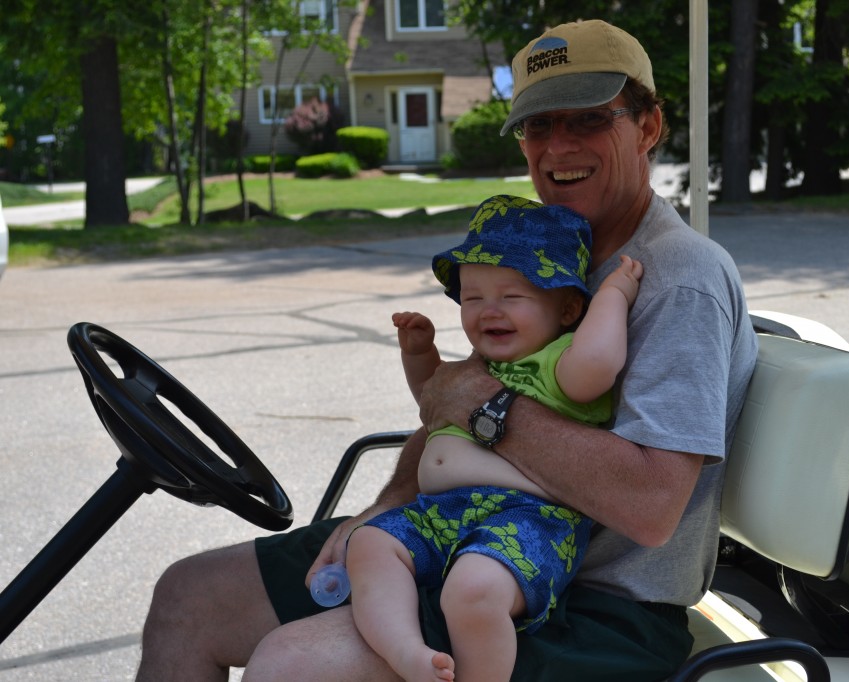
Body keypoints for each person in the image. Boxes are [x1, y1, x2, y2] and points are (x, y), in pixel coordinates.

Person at [136, 18, 759, 682]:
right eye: (538, 126)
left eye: (588, 119)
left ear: (649, 127)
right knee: (187, 598)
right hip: (463, 538)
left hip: (595, 609)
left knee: (291, 665)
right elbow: (451, 405)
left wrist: (489, 408)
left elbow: (651, 506)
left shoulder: (679, 280)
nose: (558, 147)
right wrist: (390, 501)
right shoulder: (546, 246)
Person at [348, 194, 643, 682]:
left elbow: (599, 364)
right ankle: (406, 654)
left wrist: (613, 296)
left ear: (569, 308)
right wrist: (420, 355)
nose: (489, 311)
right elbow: (434, 403)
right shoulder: (480, 367)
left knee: (474, 592)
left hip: (529, 519)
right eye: (472, 297)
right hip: (442, 513)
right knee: (370, 546)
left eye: (512, 297)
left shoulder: (561, 360)